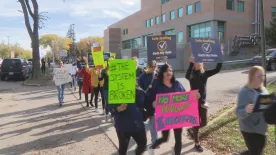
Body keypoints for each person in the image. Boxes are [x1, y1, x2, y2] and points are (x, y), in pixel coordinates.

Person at [148, 64, 200, 155]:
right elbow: (150, 101)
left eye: (171, 71)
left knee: (178, 139)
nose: (169, 72)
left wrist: (194, 95)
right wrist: (153, 104)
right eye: (167, 71)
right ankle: (152, 147)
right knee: (165, 138)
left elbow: (185, 96)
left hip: (178, 117)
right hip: (165, 118)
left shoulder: (177, 83)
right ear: (162, 73)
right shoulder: (157, 86)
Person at [185, 56, 222, 152]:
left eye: (199, 63)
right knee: (196, 122)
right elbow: (187, 76)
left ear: (202, 64)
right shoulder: (192, 74)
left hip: (202, 102)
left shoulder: (205, 74)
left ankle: (192, 129)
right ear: (194, 65)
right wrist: (190, 64)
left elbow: (217, 69)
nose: (198, 65)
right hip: (194, 102)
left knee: (204, 122)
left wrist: (220, 58)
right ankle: (197, 143)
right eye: (196, 64)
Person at [233, 66, 268, 155]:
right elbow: (238, 112)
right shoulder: (244, 92)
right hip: (249, 129)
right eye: (259, 76)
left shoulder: (264, 90)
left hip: (262, 128)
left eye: (263, 75)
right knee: (256, 152)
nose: (262, 78)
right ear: (252, 77)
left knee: (258, 150)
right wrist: (246, 110)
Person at [109, 80, 147, 155]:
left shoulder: (139, 90)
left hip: (137, 124)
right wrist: (117, 108)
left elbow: (146, 103)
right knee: (123, 149)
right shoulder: (115, 88)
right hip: (123, 126)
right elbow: (110, 106)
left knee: (143, 144)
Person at [138, 61, 158, 145]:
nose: (154, 68)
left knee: (154, 122)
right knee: (152, 122)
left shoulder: (157, 75)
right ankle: (154, 140)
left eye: (155, 66)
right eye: (152, 66)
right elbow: (139, 90)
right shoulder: (142, 77)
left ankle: (154, 140)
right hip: (147, 103)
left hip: (156, 102)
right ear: (148, 66)